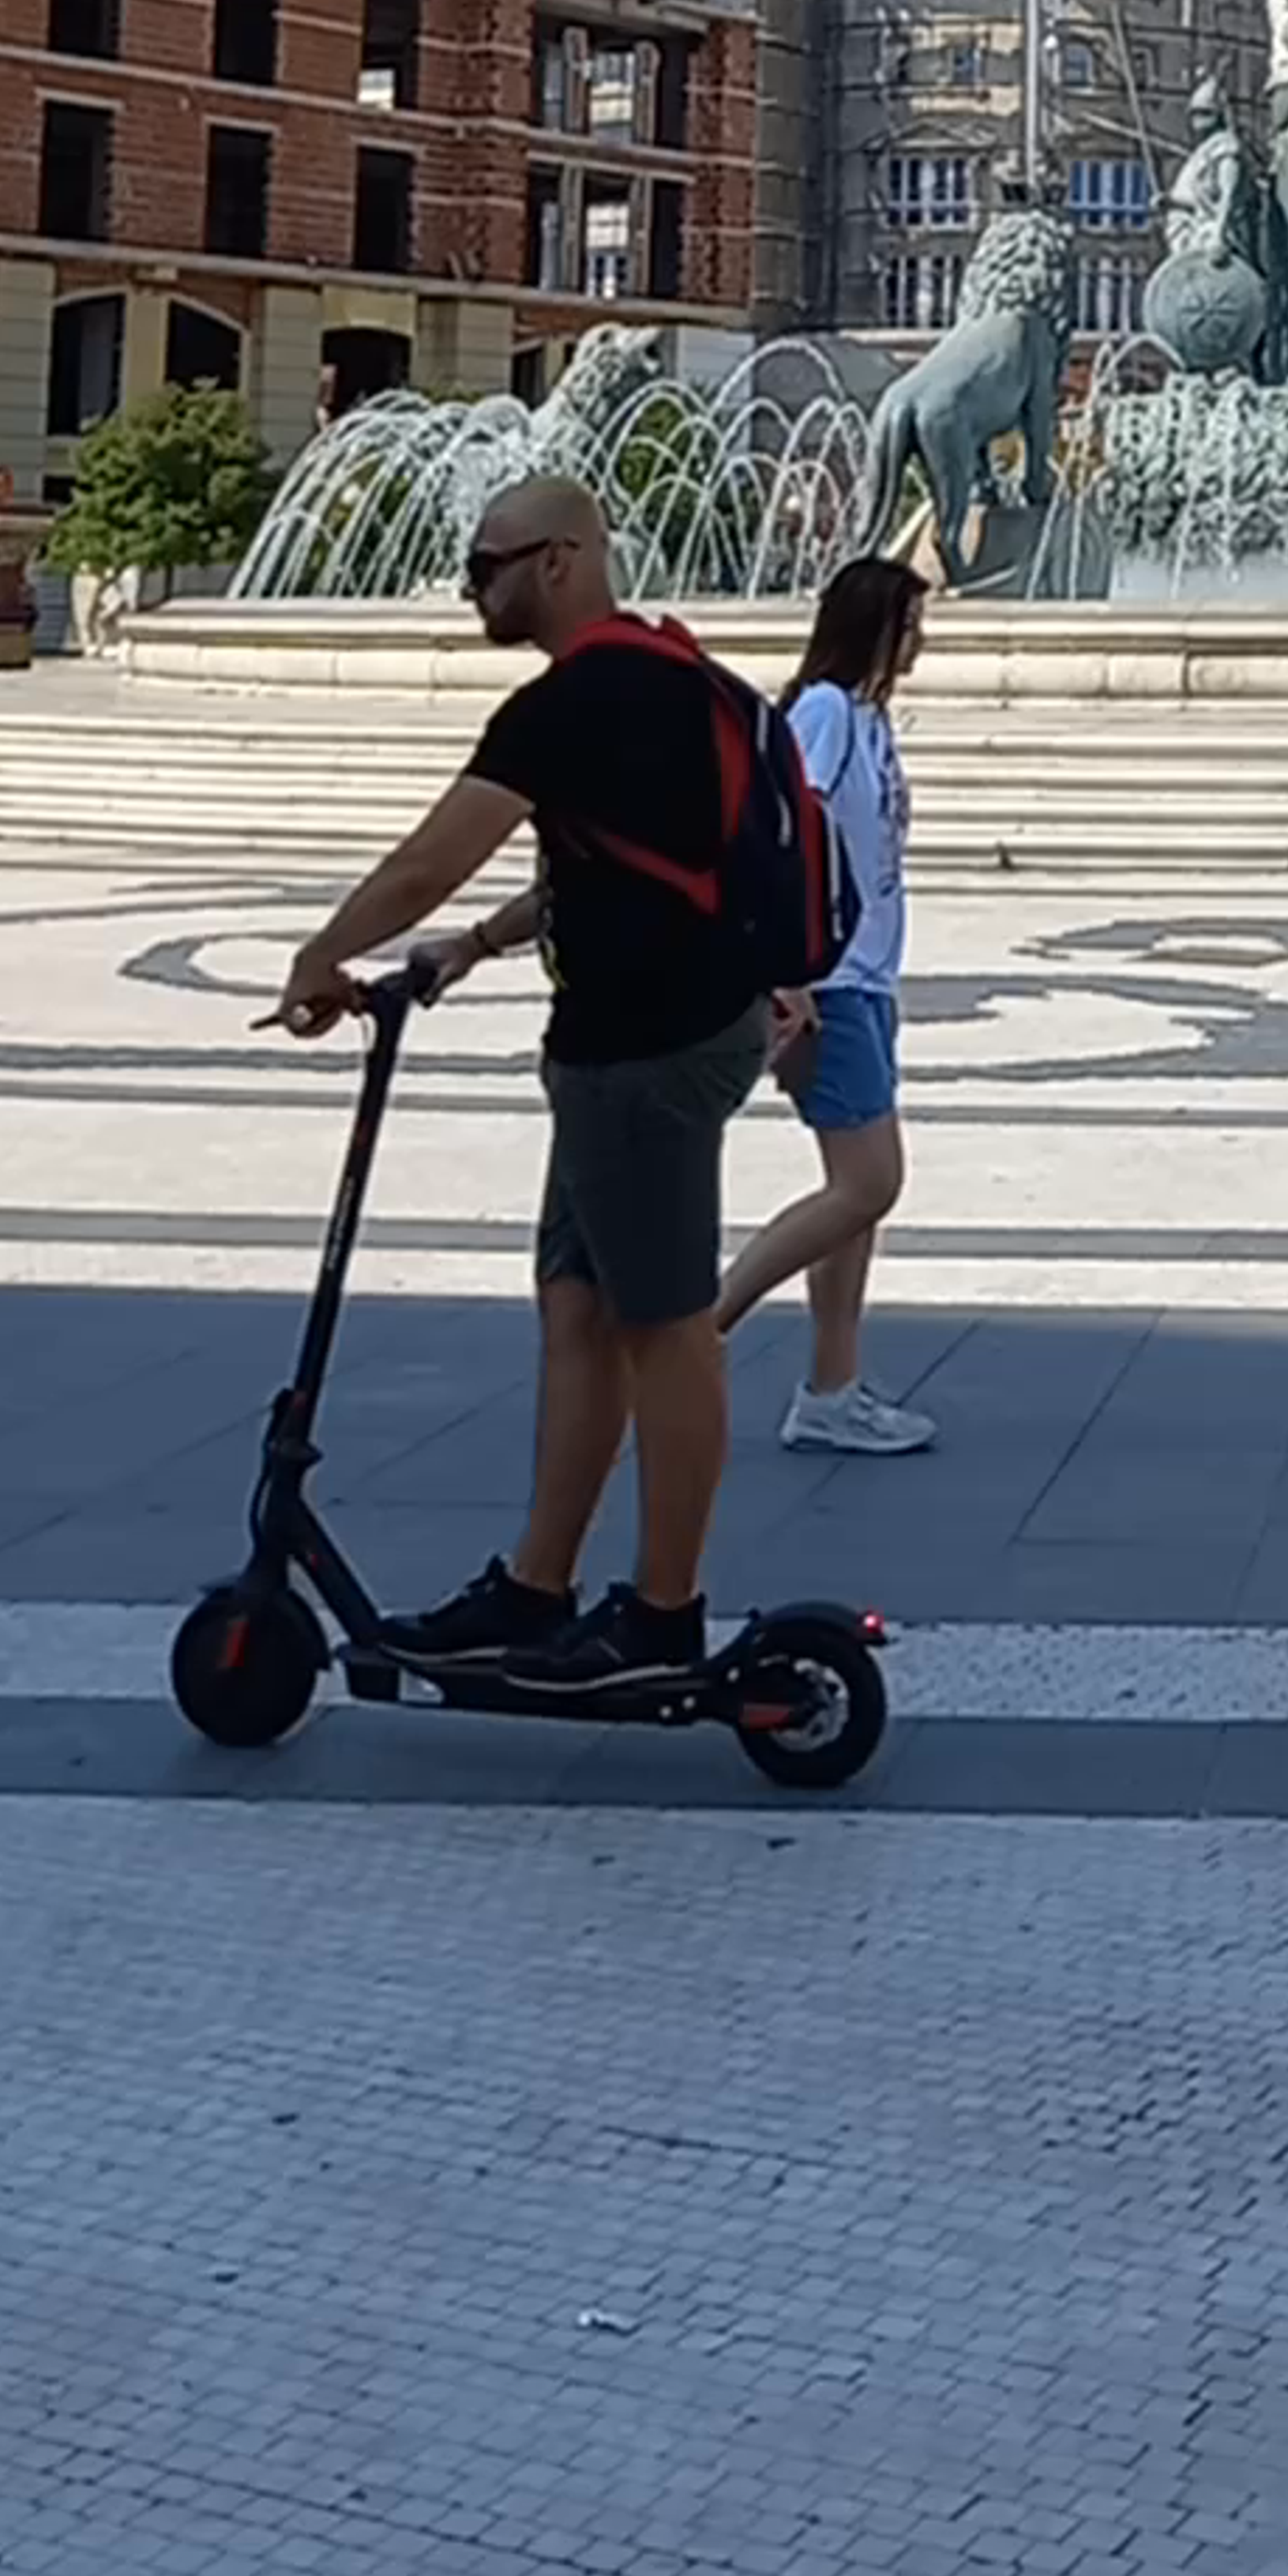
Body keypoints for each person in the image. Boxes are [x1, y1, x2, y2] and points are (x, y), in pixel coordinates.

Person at [268, 474, 787, 1690]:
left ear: (561, 558)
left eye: (488, 563)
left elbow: (432, 857)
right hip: (640, 1034)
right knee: (579, 1304)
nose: (472, 585)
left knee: (664, 1325)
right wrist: (481, 945)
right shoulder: (669, 670)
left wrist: (319, 953)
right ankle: (538, 1585)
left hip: (646, 1050)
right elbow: (621, 862)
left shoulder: (574, 700)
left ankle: (664, 1613)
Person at [714, 557, 937, 1456]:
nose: (923, 639)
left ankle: (832, 1387)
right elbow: (779, 824)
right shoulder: (826, 713)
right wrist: (787, 966)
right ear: (876, 625)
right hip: (830, 979)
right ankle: (703, 1327)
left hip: (868, 976)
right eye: (912, 623)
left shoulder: (871, 719)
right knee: (869, 1179)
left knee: (858, 1198)